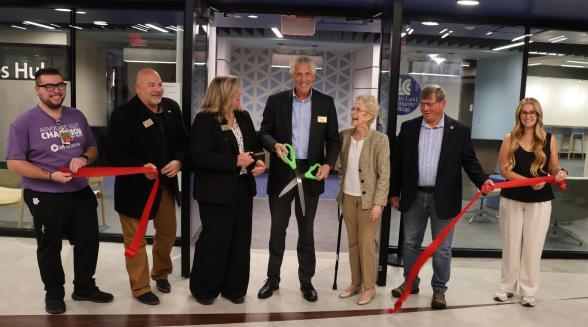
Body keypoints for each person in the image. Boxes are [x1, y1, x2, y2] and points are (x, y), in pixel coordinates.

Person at [6, 67, 113, 314]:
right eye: (49, 86)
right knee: (50, 245)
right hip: (44, 194)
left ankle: (84, 287)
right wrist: (50, 176)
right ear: (37, 90)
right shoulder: (23, 122)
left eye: (60, 85)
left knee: (88, 241)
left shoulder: (76, 116)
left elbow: (92, 147)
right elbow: (14, 163)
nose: (56, 90)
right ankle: (54, 294)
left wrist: (85, 158)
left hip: (79, 191)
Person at [389, 84, 494, 309]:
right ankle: (410, 282)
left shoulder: (459, 131)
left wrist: (482, 180)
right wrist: (393, 192)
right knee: (410, 244)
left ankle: (439, 289)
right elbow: (397, 163)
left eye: (430, 104)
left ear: (442, 104)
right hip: (414, 196)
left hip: (444, 198)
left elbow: (470, 161)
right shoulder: (408, 128)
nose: (425, 108)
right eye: (423, 104)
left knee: (442, 248)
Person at [258, 55, 340, 302]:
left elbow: (333, 139)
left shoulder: (326, 102)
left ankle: (307, 281)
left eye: (308, 74)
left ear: (314, 77)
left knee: (307, 231)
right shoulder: (276, 101)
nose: (303, 79)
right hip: (283, 172)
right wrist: (274, 147)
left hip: (312, 174)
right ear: (292, 76)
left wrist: (328, 163)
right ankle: (272, 279)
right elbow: (264, 132)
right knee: (277, 230)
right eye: (299, 74)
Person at [107, 68, 190, 305]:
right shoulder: (123, 115)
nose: (157, 89)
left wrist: (179, 161)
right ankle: (140, 287)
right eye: (151, 85)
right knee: (136, 240)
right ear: (138, 88)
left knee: (166, 234)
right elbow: (113, 154)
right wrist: (140, 167)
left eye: (159, 84)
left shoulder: (172, 108)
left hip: (165, 186)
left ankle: (161, 273)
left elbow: (185, 141)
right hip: (134, 191)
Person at [189, 75, 266, 305]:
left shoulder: (243, 116)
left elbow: (254, 148)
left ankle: (234, 289)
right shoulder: (205, 120)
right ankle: (204, 289)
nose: (240, 95)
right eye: (236, 92)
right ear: (223, 94)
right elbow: (199, 158)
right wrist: (234, 161)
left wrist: (259, 163)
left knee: (240, 240)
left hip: (242, 189)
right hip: (215, 193)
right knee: (214, 241)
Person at [494, 98, 567, 307]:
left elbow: (554, 168)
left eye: (532, 113)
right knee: (510, 245)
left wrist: (559, 173)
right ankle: (506, 287)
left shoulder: (548, 139)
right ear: (519, 115)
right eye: (524, 112)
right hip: (512, 200)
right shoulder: (510, 138)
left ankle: (528, 290)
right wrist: (529, 182)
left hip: (540, 202)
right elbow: (504, 170)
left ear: (538, 116)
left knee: (533, 248)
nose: (528, 116)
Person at [336, 95, 389, 305]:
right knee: (353, 243)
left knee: (366, 243)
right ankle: (355, 282)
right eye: (353, 108)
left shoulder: (380, 140)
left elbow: (384, 174)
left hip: (369, 202)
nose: (353, 113)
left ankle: (369, 287)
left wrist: (379, 203)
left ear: (369, 116)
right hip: (348, 197)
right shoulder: (344, 136)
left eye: (358, 110)